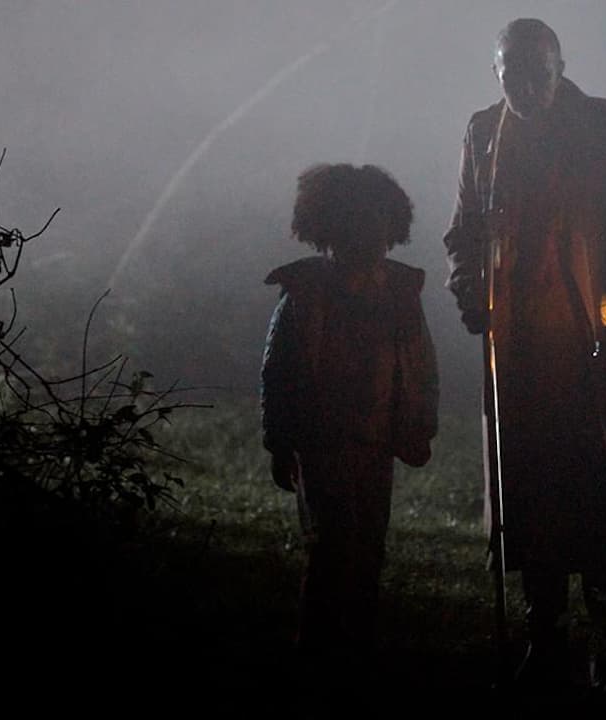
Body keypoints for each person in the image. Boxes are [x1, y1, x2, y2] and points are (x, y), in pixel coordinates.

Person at [441, 18, 606, 692]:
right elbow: (464, 232)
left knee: (601, 478)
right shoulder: (483, 134)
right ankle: (545, 634)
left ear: (561, 69)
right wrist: (470, 290)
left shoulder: (601, 123)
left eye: (540, 73)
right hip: (524, 344)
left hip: (603, 335)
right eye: (513, 74)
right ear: (496, 73)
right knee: (533, 481)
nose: (527, 88)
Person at [261, 162, 439, 686]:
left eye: (378, 222)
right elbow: (281, 370)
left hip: (376, 442)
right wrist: (281, 441)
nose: (370, 235)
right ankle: (318, 656)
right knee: (333, 546)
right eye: (358, 222)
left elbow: (420, 364)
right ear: (331, 230)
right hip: (323, 442)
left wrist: (417, 424)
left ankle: (354, 654)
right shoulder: (305, 294)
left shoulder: (400, 294)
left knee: (367, 550)